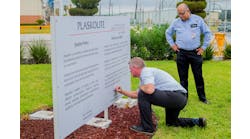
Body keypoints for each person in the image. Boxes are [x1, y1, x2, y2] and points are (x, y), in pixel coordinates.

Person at [115, 57, 207, 135]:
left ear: (135, 67)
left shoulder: (146, 72)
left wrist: (141, 88)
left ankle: (147, 128)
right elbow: (137, 94)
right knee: (171, 122)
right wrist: (122, 91)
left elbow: (149, 90)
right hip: (179, 98)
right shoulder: (145, 77)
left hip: (176, 96)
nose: (130, 71)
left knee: (144, 93)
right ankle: (197, 121)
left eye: (130, 69)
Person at [165, 3, 212, 104]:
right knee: (183, 78)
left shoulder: (198, 20)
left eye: (182, 14)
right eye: (179, 14)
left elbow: (208, 33)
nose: (180, 16)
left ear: (188, 11)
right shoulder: (176, 22)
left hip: (195, 53)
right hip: (181, 53)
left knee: (198, 76)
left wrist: (203, 48)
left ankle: (202, 98)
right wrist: (173, 45)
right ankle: (184, 98)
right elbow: (168, 33)